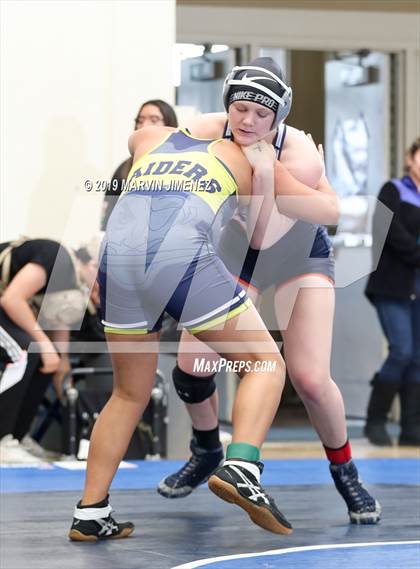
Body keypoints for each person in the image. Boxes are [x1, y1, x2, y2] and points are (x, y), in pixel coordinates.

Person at [68, 102, 340, 541]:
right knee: (266, 364)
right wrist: (308, 173)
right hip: (177, 256)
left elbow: (141, 150)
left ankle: (91, 512)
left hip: (117, 260)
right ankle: (242, 466)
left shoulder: (148, 140)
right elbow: (314, 217)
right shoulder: (250, 159)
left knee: (128, 393)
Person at [157, 57, 381, 526]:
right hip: (238, 250)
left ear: (279, 118)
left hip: (295, 251)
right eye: (241, 108)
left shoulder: (297, 151)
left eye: (262, 115)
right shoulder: (203, 130)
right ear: (227, 105)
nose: (248, 121)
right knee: (191, 366)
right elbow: (157, 167)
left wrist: (264, 174)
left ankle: (346, 474)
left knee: (311, 378)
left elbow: (295, 226)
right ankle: (205, 449)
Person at [0, 237, 98, 462]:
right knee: (26, 352)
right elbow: (12, 300)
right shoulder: (57, 257)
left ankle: (17, 435)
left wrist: (70, 400)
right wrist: (43, 344)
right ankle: (1, 439)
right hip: (5, 301)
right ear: (92, 265)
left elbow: (60, 359)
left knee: (47, 357)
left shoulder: (72, 289)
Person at [364, 137, 420, 447]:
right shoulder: (395, 190)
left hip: (418, 288)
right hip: (392, 285)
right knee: (402, 350)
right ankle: (376, 421)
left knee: (417, 357)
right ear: (410, 157)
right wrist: (416, 253)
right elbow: (388, 228)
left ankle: (412, 429)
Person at [101, 99, 178, 229]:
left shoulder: (183, 166)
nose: (144, 125)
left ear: (170, 125)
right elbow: (108, 216)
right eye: (140, 121)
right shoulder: (124, 169)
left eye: (154, 120)